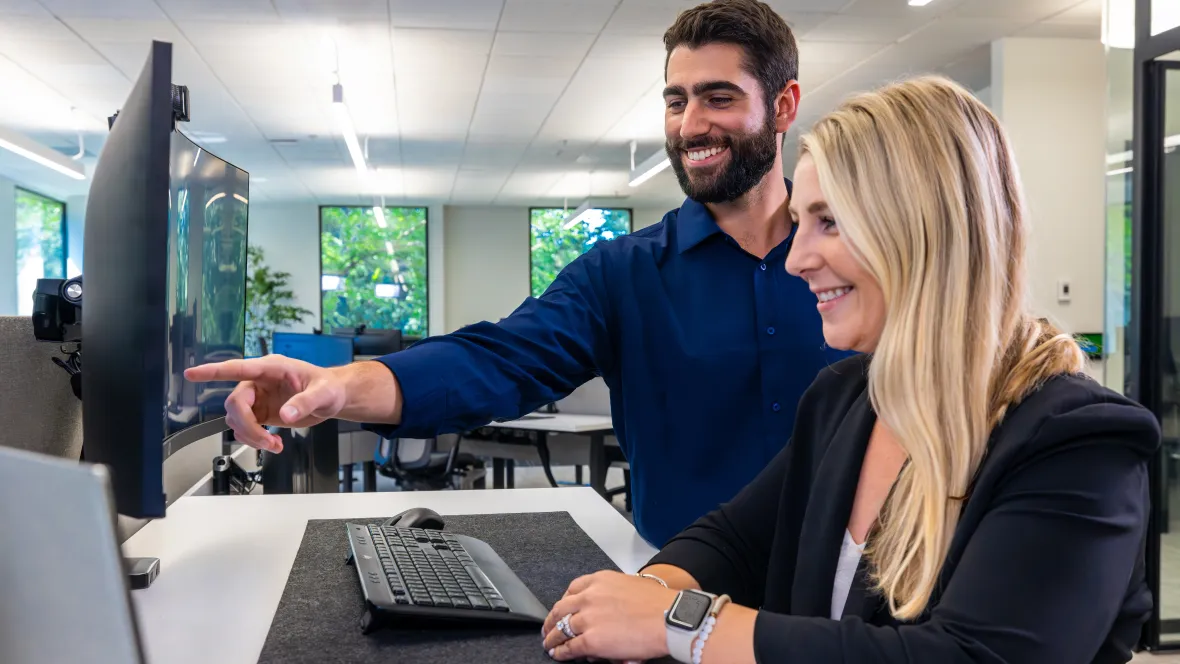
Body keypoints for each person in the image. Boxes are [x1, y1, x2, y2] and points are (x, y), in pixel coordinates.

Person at [537, 75, 1159, 664]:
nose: (796, 259)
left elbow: (968, 655)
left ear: (923, 229)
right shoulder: (847, 397)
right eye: (801, 221)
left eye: (829, 222)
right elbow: (735, 538)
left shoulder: (1079, 442)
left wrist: (682, 625)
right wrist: (641, 597)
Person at [184, 0, 851, 547]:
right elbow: (499, 360)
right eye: (676, 102)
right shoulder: (622, 273)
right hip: (685, 597)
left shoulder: (862, 260)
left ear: (785, 105)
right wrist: (336, 385)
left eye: (718, 98)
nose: (690, 124)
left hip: (858, 604)